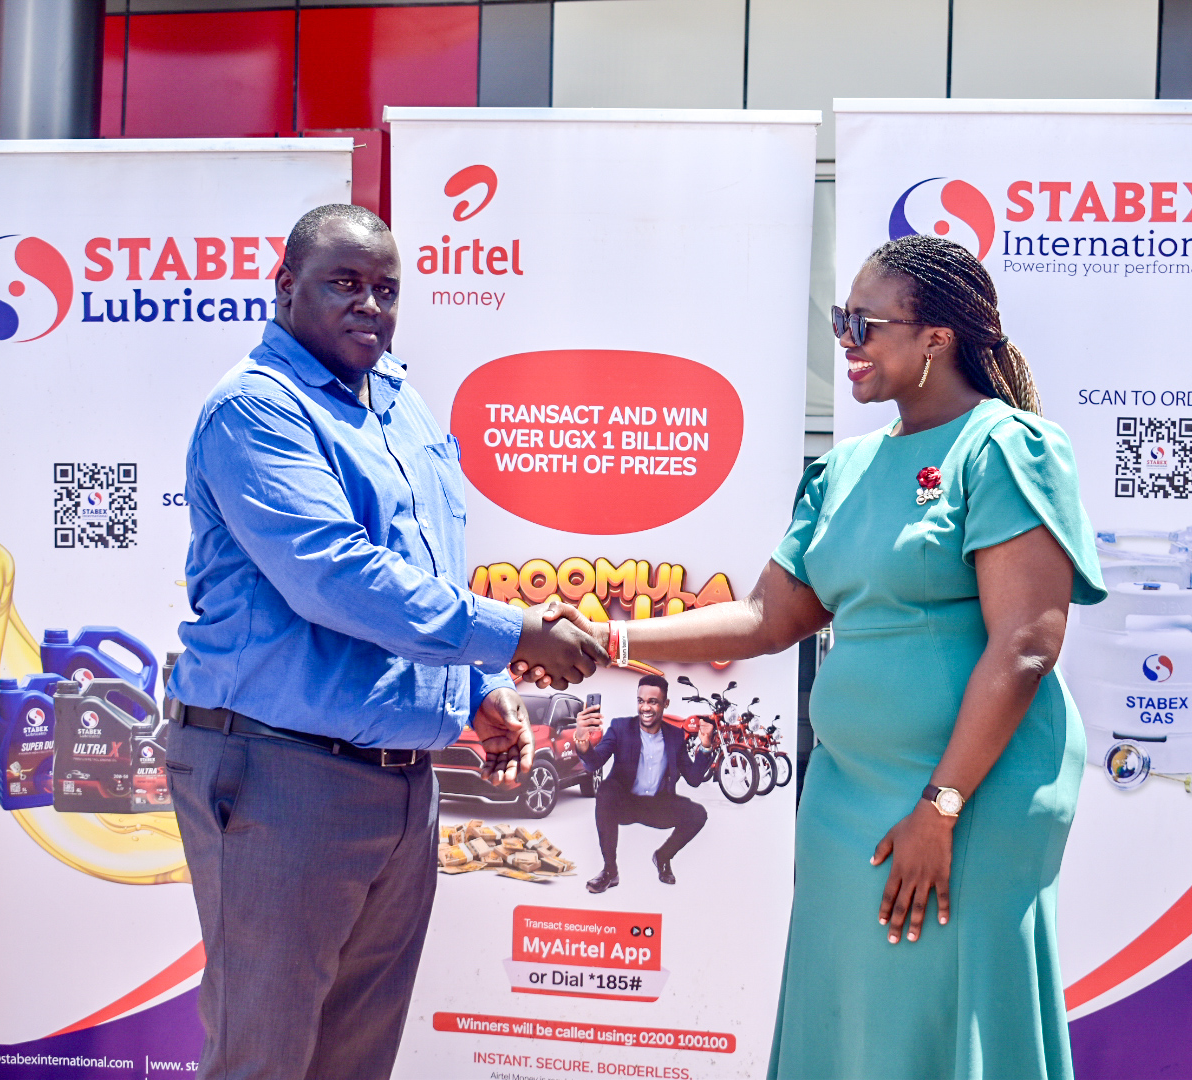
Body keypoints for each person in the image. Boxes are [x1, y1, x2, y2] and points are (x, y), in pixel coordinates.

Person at [525, 234, 1106, 1078]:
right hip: (849, 797)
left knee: (944, 1005)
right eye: (841, 320)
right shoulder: (845, 469)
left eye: (865, 323)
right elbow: (766, 617)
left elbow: (1024, 647)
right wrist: (606, 639)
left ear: (935, 339)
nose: (846, 340)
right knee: (847, 1006)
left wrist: (939, 808)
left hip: (965, 796)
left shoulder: (1004, 446)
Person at [164, 203, 605, 1080]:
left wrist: (476, 692)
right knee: (265, 1056)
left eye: (386, 289)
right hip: (282, 775)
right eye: (346, 283)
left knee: (353, 1061)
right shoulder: (257, 412)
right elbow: (336, 575)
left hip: (400, 784)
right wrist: (510, 635)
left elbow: (422, 564)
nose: (370, 305)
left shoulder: (400, 403)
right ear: (286, 289)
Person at [571, 675, 716, 892]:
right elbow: (594, 763)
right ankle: (610, 871)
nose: (645, 708)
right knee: (606, 790)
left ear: (665, 704)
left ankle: (663, 857)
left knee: (698, 814)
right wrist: (582, 739)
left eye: (653, 702)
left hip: (657, 807)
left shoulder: (676, 736)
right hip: (624, 804)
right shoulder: (620, 728)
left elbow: (694, 779)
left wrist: (705, 747)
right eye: (641, 701)